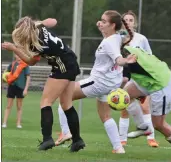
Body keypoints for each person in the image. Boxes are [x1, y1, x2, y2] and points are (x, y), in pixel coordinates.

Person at [56, 10, 137, 154]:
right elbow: (123, 36)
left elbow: (118, 59)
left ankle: (66, 132)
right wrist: (102, 26)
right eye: (101, 20)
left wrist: (126, 61)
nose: (101, 23)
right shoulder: (117, 37)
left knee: (64, 94)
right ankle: (118, 148)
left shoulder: (109, 42)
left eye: (104, 21)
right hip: (111, 83)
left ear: (112, 25)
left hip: (98, 82)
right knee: (105, 116)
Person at [2, 17, 85, 152]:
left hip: (62, 67)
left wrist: (14, 49)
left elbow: (31, 61)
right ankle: (77, 140)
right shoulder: (39, 28)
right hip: (71, 62)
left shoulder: (37, 44)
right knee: (66, 104)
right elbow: (54, 21)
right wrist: (41, 23)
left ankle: (47, 139)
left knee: (45, 102)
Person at [121, 45, 171, 156]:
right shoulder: (128, 48)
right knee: (124, 95)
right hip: (152, 79)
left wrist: (113, 93)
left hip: (161, 85)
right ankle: (143, 127)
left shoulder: (127, 56)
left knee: (159, 125)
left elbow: (127, 75)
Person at [119, 10, 159, 147]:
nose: (128, 23)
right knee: (124, 107)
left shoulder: (141, 38)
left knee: (145, 106)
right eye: (125, 20)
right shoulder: (117, 37)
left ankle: (151, 138)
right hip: (123, 76)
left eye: (130, 20)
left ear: (134, 23)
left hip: (139, 76)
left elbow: (149, 56)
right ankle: (122, 139)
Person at [2, 55, 30, 128]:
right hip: (12, 86)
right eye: (17, 55)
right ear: (15, 55)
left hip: (21, 87)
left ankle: (18, 124)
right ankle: (4, 123)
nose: (18, 56)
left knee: (19, 106)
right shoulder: (12, 64)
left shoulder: (25, 65)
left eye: (19, 54)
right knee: (8, 106)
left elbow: (28, 77)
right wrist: (4, 77)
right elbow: (6, 73)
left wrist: (26, 89)